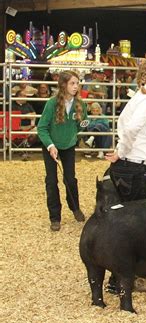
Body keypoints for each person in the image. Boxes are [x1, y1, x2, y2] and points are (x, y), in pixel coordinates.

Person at [106, 57, 146, 202]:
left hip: (134, 165)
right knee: (137, 219)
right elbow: (131, 129)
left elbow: (142, 137)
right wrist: (120, 152)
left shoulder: (141, 97)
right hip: (135, 170)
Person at [37, 71, 88, 232]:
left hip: (69, 146)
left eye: (77, 83)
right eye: (72, 83)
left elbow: (81, 125)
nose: (76, 86)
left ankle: (75, 207)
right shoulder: (52, 104)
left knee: (70, 179)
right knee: (51, 181)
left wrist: (82, 125)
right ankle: (55, 217)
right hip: (51, 147)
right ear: (63, 85)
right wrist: (50, 146)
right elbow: (42, 128)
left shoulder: (80, 104)